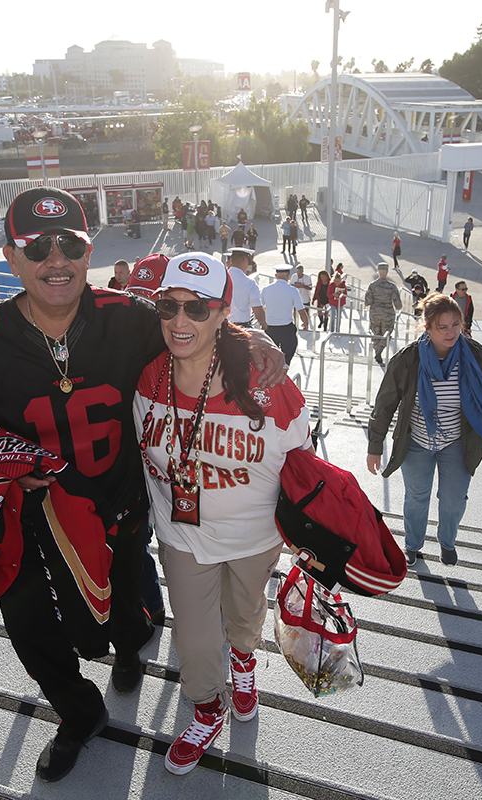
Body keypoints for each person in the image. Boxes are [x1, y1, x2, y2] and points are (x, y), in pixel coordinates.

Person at [0, 187, 284, 785]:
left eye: (69, 243)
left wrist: (250, 338)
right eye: (37, 247)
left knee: (130, 613)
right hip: (29, 523)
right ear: (10, 259)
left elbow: (192, 334)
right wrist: (4, 470)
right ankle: (78, 712)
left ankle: (127, 653)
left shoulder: (127, 317)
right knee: (31, 626)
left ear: (88, 249)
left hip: (118, 507)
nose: (56, 259)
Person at [132, 252, 310, 776]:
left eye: (198, 307)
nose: (180, 321)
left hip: (255, 535)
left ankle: (246, 661)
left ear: (223, 310)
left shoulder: (264, 377)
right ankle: (208, 707)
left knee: (244, 615)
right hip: (181, 534)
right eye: (169, 307)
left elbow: (302, 460)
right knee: (193, 634)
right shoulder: (148, 377)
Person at [367, 293, 482, 566]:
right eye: (443, 327)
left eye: (456, 325)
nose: (452, 332)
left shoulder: (473, 354)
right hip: (417, 441)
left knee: (454, 499)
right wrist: (375, 446)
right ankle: (412, 544)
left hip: (458, 442)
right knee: (417, 497)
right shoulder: (408, 359)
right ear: (427, 328)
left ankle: (447, 541)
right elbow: (385, 403)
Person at [261, 265, 310, 365]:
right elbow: (301, 310)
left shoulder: (266, 289)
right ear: (288, 276)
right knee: (286, 359)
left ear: (276, 276)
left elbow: (259, 307)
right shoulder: (293, 291)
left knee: (270, 359)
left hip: (270, 328)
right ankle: (284, 371)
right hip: (286, 329)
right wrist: (305, 323)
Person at [365, 262, 402, 365]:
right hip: (388, 314)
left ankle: (377, 351)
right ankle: (380, 351)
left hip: (375, 313)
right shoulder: (392, 286)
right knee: (387, 334)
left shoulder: (372, 286)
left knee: (376, 333)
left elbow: (367, 301)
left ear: (378, 271)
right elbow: (398, 305)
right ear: (387, 272)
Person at [225, 248, 265, 329]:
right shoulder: (250, 283)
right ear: (245, 261)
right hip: (242, 327)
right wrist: (264, 323)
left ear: (231, 261)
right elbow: (257, 309)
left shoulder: (221, 278)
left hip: (223, 325)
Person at [328, 267, 349, 333]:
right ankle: (331, 330)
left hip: (340, 303)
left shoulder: (343, 285)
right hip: (333, 303)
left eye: (338, 281)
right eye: (336, 281)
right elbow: (328, 294)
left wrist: (340, 296)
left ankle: (337, 330)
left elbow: (345, 294)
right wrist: (333, 295)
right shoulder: (331, 285)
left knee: (339, 317)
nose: (337, 283)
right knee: (333, 316)